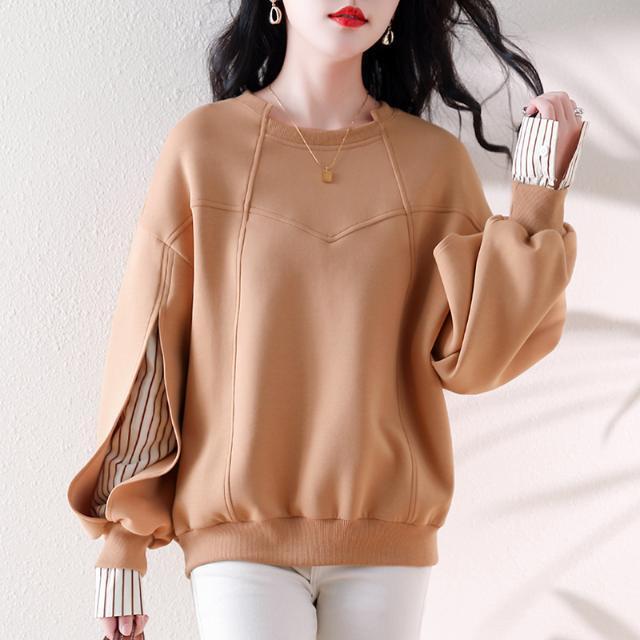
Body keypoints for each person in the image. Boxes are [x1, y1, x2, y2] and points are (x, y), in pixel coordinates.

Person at [67, 1, 589, 638]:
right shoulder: (204, 147)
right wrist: (124, 535)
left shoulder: (433, 163)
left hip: (387, 545)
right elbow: (152, 342)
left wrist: (538, 193)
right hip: (238, 543)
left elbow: (477, 356)